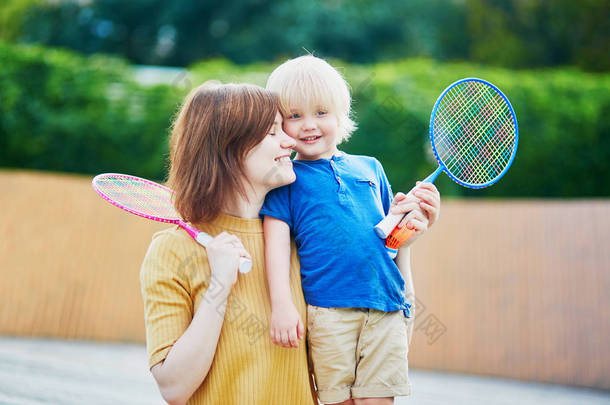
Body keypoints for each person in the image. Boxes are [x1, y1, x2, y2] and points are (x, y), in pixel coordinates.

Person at [261, 55, 440, 405]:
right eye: (295, 116)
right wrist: (282, 305)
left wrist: (413, 220)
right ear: (280, 124)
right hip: (329, 314)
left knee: (378, 399)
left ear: (340, 114)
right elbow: (277, 248)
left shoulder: (371, 168)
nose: (309, 124)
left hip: (385, 305)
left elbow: (390, 241)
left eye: (321, 112)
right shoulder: (284, 181)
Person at [139, 82, 317, 405]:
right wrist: (219, 286)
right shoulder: (171, 251)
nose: (290, 141)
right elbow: (173, 388)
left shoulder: (300, 239)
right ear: (230, 150)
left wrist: (400, 247)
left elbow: (371, 338)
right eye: (273, 132)